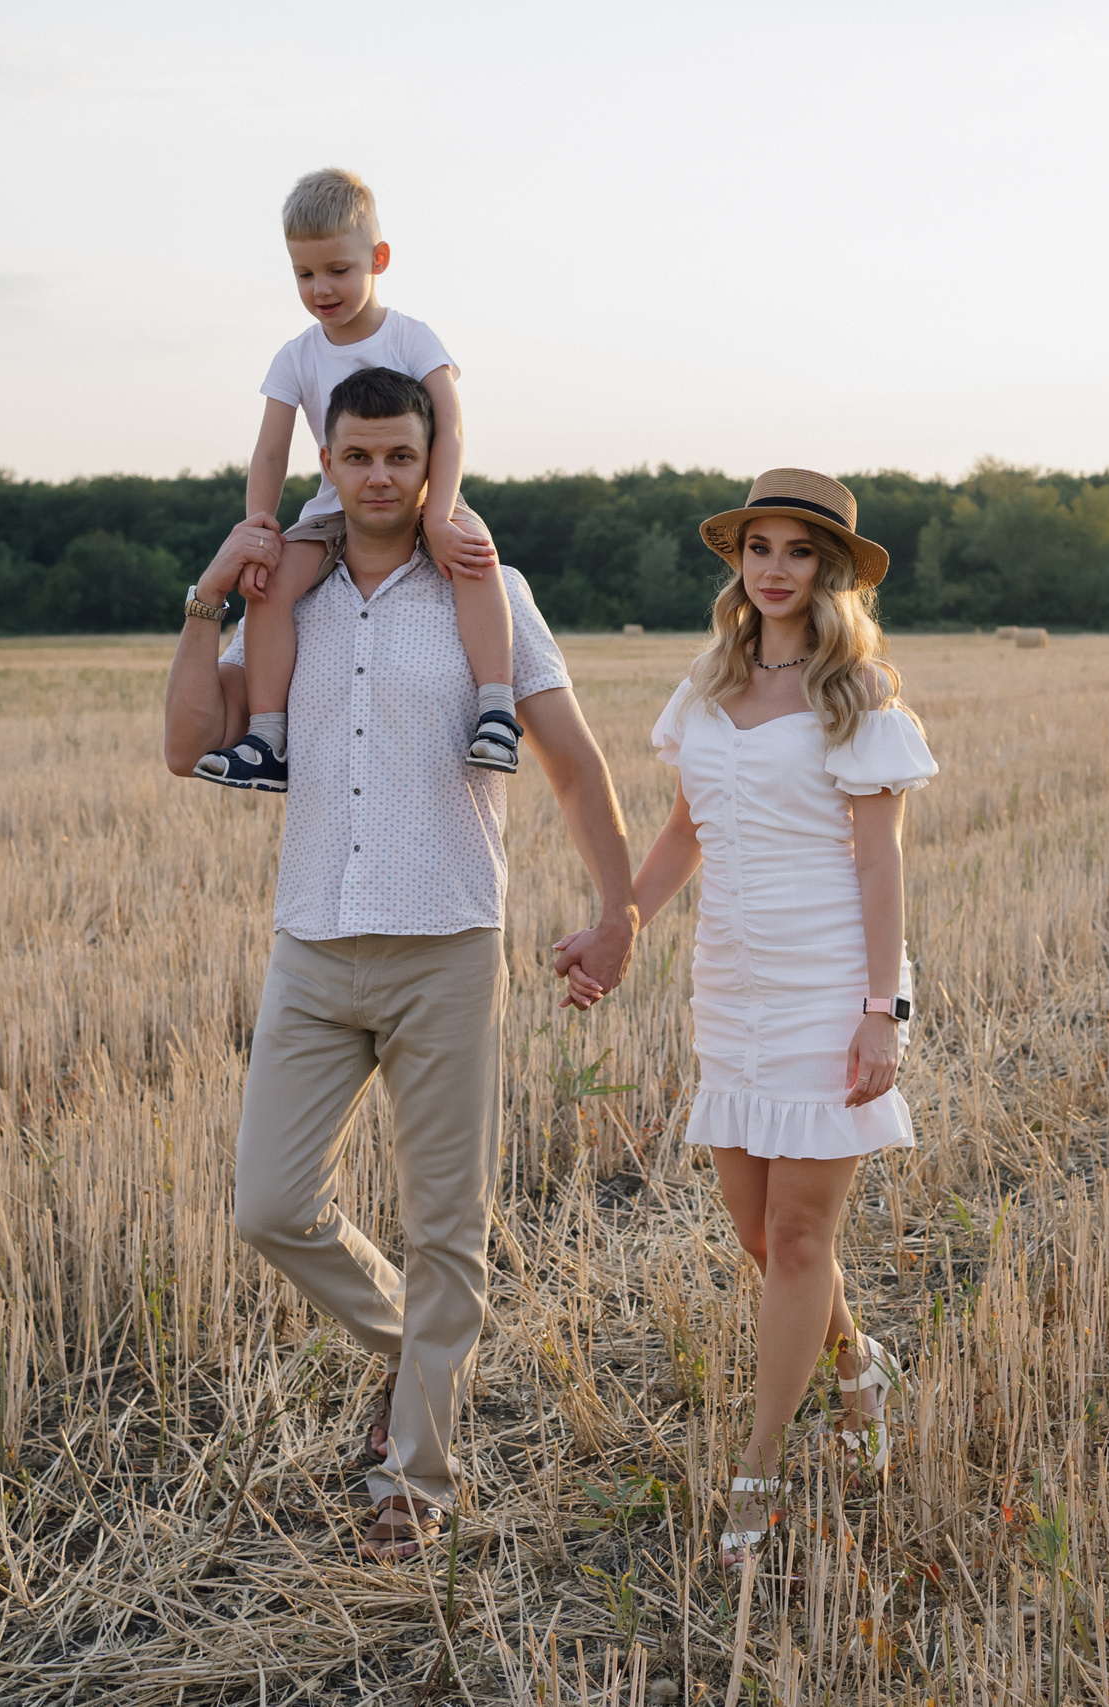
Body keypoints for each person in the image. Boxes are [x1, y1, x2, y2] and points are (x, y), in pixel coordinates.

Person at [164, 364, 639, 1562]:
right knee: (271, 1205)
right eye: (357, 455)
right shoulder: (289, 598)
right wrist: (203, 603)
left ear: (433, 466)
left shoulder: (490, 591)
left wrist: (619, 906)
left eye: (401, 458)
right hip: (314, 946)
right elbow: (186, 748)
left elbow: (574, 764)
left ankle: (414, 1485)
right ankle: (412, 1350)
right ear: (325, 462)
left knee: (448, 1231)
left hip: (447, 947)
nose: (379, 477)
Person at [553, 468, 937, 1569]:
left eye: (798, 552)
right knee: (763, 1241)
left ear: (830, 573)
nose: (774, 569)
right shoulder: (709, 688)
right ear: (739, 563)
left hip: (828, 983)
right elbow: (684, 831)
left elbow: (878, 866)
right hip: (730, 983)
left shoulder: (858, 702)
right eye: (757, 548)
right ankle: (856, 1365)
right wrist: (619, 923)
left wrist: (880, 1011)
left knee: (804, 1236)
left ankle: (758, 1469)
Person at [192, 165, 521, 792]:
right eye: (304, 274)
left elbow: (448, 429)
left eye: (338, 270)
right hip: (332, 508)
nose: (321, 288)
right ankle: (267, 737)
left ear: (379, 258)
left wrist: (437, 515)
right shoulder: (296, 355)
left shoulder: (411, 337)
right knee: (267, 590)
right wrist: (260, 531)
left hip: (424, 495)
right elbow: (268, 455)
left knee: (476, 557)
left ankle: (497, 712)